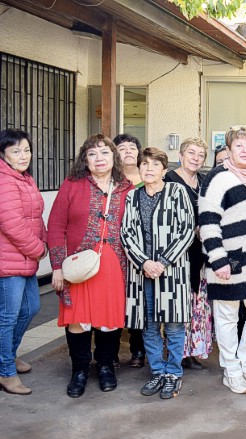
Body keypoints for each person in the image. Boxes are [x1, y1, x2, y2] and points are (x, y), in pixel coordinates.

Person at [47, 134, 133, 398]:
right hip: (78, 265)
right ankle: (80, 370)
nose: (99, 159)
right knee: (78, 319)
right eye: (92, 153)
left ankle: (106, 366)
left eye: (104, 153)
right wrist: (58, 266)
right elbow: (56, 226)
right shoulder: (72, 185)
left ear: (113, 157)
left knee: (109, 320)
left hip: (114, 265)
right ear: (85, 159)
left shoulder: (126, 188)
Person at [199, 124, 246, 394]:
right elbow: (208, 221)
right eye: (238, 145)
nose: (244, 150)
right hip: (229, 261)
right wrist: (217, 259)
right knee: (228, 316)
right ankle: (231, 371)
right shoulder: (218, 178)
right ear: (229, 150)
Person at [121, 148, 195, 400]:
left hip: (171, 271)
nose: (149, 168)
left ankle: (173, 373)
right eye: (145, 164)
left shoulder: (177, 192)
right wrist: (144, 262)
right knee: (149, 326)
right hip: (142, 273)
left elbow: (186, 230)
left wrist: (161, 262)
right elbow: (126, 234)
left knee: (174, 326)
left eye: (155, 164)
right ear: (139, 169)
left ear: (164, 169)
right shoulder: (132, 196)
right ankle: (157, 372)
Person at [0, 129, 47, 395]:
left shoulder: (23, 178)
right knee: (7, 318)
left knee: (31, 308)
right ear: (4, 154)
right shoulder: (4, 180)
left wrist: (44, 243)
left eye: (26, 150)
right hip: (9, 262)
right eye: (16, 151)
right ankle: (6, 372)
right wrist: (38, 248)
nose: (23, 155)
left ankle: (7, 354)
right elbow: (11, 224)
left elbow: (36, 216)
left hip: (25, 259)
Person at [165, 137, 210, 370]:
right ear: (181, 155)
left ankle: (192, 350)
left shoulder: (204, 181)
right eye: (191, 153)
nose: (195, 158)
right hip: (177, 254)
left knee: (196, 303)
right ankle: (176, 353)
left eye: (200, 155)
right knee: (179, 303)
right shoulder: (169, 180)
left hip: (199, 253)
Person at [113, 133, 146, 369]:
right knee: (115, 301)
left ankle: (138, 350)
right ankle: (111, 351)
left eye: (132, 147)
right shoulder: (111, 181)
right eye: (121, 147)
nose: (127, 151)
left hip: (144, 250)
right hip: (116, 250)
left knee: (139, 301)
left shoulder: (149, 177)